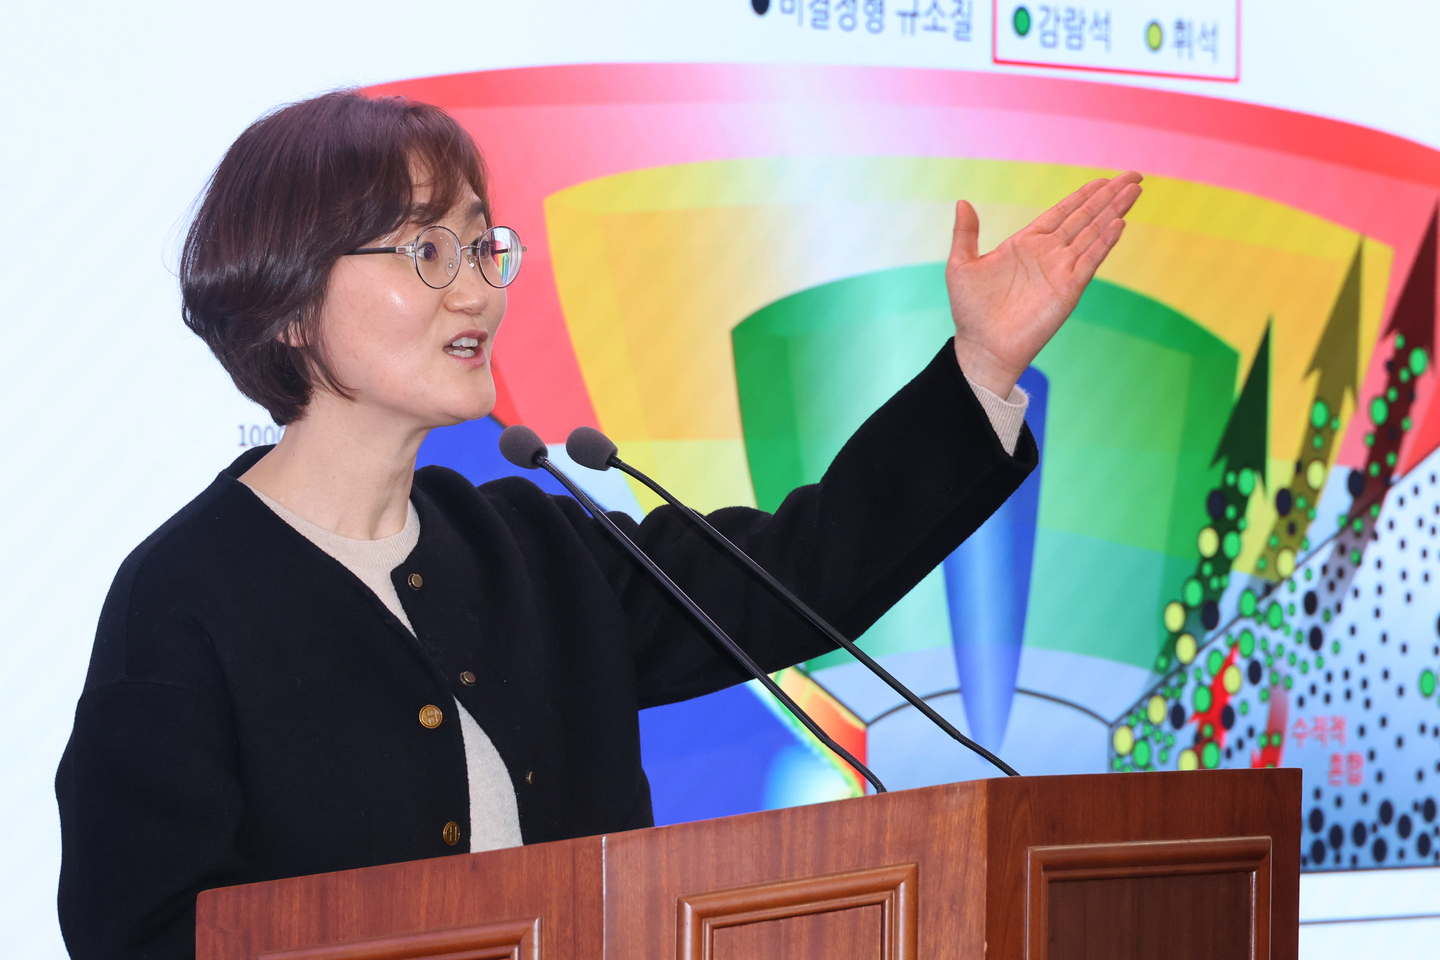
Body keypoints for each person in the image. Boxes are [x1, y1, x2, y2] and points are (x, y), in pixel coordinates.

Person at [54, 90, 1141, 960]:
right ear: (288, 304)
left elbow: (801, 576)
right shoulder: (186, 599)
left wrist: (981, 371)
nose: (476, 290)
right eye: (424, 251)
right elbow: (140, 935)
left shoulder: (532, 546)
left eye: (484, 247)